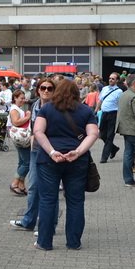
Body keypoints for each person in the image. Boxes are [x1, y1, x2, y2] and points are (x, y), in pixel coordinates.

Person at [31, 77, 99, 251]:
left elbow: (38, 131)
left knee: (47, 200)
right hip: (77, 161)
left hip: (49, 160)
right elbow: (93, 134)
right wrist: (78, 151)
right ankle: (74, 242)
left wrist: (52, 152)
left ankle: (44, 243)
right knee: (76, 201)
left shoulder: (46, 109)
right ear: (77, 93)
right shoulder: (86, 111)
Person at [9, 78, 58, 233]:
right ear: (37, 90)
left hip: (51, 150)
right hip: (36, 150)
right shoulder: (34, 105)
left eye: (50, 88)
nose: (46, 91)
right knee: (33, 187)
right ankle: (28, 221)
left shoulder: (57, 108)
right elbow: (31, 128)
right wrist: (31, 146)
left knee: (50, 189)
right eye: (43, 88)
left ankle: (49, 225)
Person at [8, 88, 31, 195]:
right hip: (20, 137)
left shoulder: (17, 108)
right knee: (27, 163)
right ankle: (15, 183)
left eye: (23, 98)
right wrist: (28, 117)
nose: (23, 100)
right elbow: (16, 122)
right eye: (21, 98)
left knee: (22, 162)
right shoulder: (14, 109)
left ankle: (21, 185)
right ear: (15, 98)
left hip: (19, 137)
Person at [97, 73, 123, 163]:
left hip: (113, 114)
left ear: (117, 80)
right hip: (104, 114)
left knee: (109, 136)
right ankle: (114, 148)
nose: (111, 80)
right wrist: (96, 110)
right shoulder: (104, 88)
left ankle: (104, 157)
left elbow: (121, 105)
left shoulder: (119, 91)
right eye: (110, 78)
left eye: (113, 79)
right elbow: (100, 100)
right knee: (102, 135)